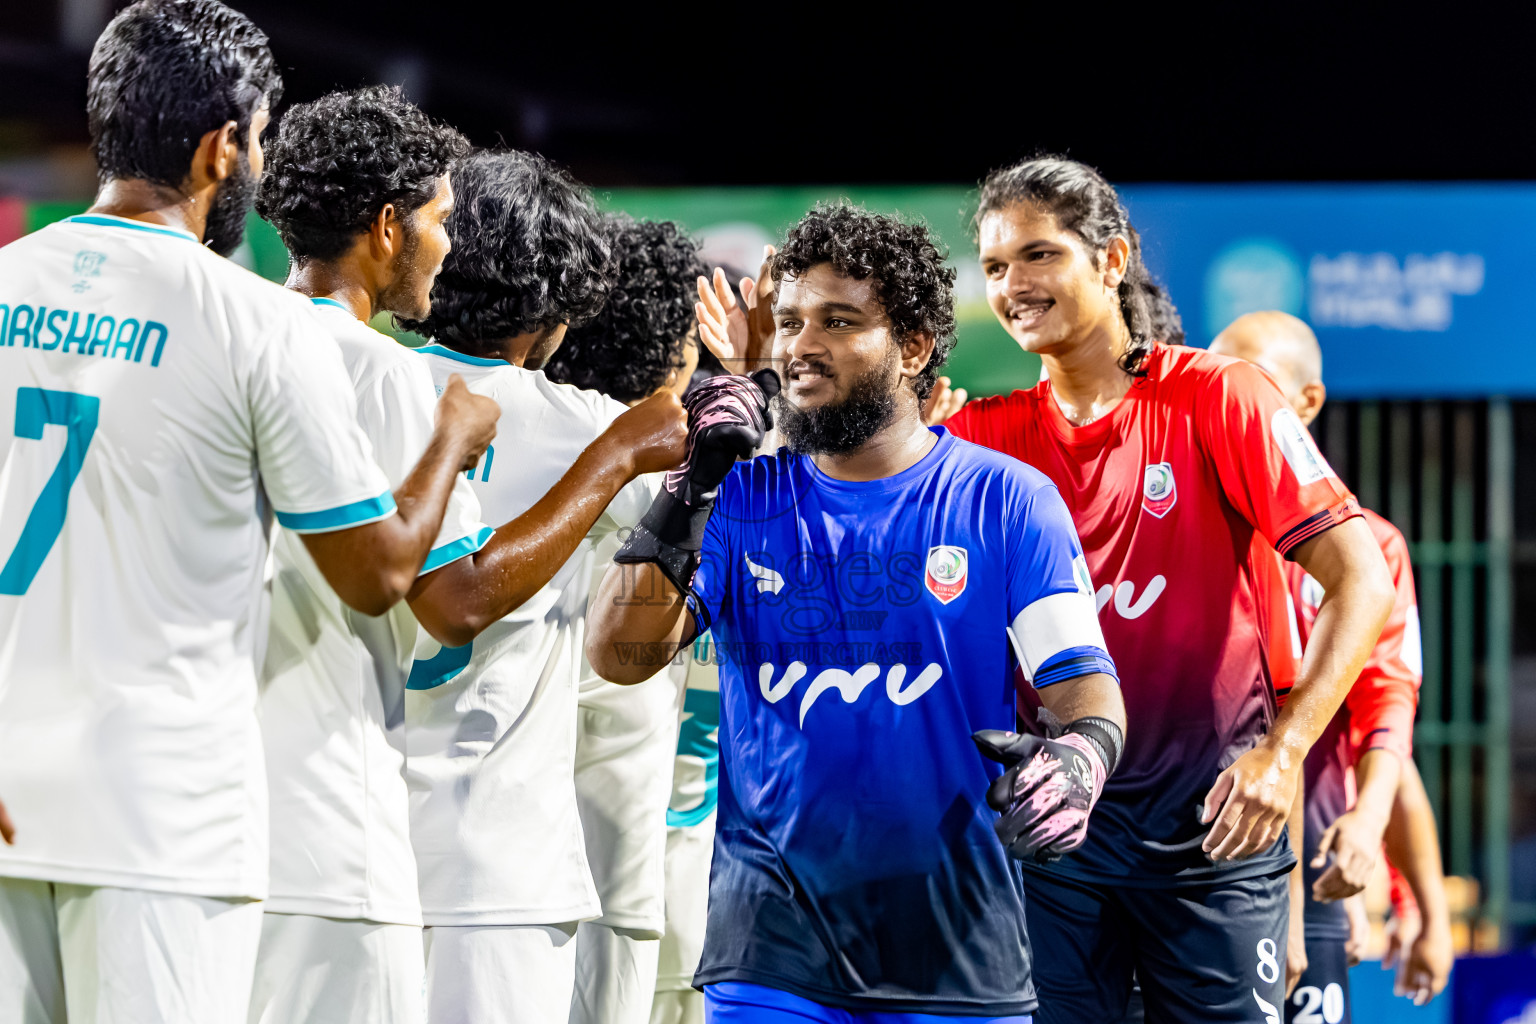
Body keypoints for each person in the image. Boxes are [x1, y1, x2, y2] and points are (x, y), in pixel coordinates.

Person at [0, 4, 496, 1021]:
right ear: (223, 147)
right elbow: (381, 573)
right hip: (163, 823)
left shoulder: (6, 282)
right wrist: (451, 435)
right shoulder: (259, 324)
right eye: (260, 139)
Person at [588, 202, 1128, 1022]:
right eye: (794, 320)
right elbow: (619, 655)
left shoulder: (1006, 499)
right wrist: (689, 486)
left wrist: (1082, 759)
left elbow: (1082, 681)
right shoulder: (738, 498)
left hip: (959, 960)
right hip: (771, 959)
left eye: (839, 322)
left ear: (911, 348)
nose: (802, 345)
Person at [250, 92, 685, 1023]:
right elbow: (468, 595)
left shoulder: (329, 369)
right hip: (497, 861)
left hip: (332, 826)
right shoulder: (601, 430)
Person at [936, 157, 1396, 1023]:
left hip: (1212, 839)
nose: (1013, 285)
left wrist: (1284, 755)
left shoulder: (1217, 396)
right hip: (1054, 845)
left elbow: (1360, 577)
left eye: (1039, 255)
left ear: (1112, 260)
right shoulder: (977, 437)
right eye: (995, 267)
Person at [398, 150, 688, 1024]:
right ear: (557, 310)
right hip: (502, 859)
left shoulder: (362, 384)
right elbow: (759, 508)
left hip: (358, 839)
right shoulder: (587, 428)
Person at [1210, 311, 1452, 1015]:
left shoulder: (1367, 548)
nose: (1235, 400)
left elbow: (1382, 722)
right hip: (1186, 864)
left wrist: (1417, 899)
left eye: (1255, 381)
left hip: (1308, 872)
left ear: (1307, 402)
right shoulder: (1195, 531)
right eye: (1222, 383)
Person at [543, 215, 709, 1024]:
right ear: (672, 347)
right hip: (629, 865)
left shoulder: (525, 444)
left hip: (491, 858)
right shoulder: (683, 494)